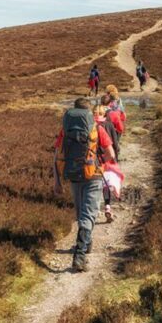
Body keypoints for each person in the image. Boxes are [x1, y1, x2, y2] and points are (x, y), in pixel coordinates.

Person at [53, 98, 116, 271]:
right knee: (88, 215)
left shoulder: (65, 131)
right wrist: (100, 163)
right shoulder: (97, 129)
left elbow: (57, 156)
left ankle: (86, 244)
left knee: (81, 213)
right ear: (89, 113)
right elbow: (111, 153)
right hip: (93, 176)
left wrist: (57, 181)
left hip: (73, 175)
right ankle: (79, 256)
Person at [93, 105, 122, 222]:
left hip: (94, 159)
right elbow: (115, 144)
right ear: (104, 114)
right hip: (108, 158)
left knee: (96, 183)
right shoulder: (109, 125)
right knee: (106, 184)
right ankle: (107, 207)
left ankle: (94, 209)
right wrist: (115, 158)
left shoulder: (91, 126)